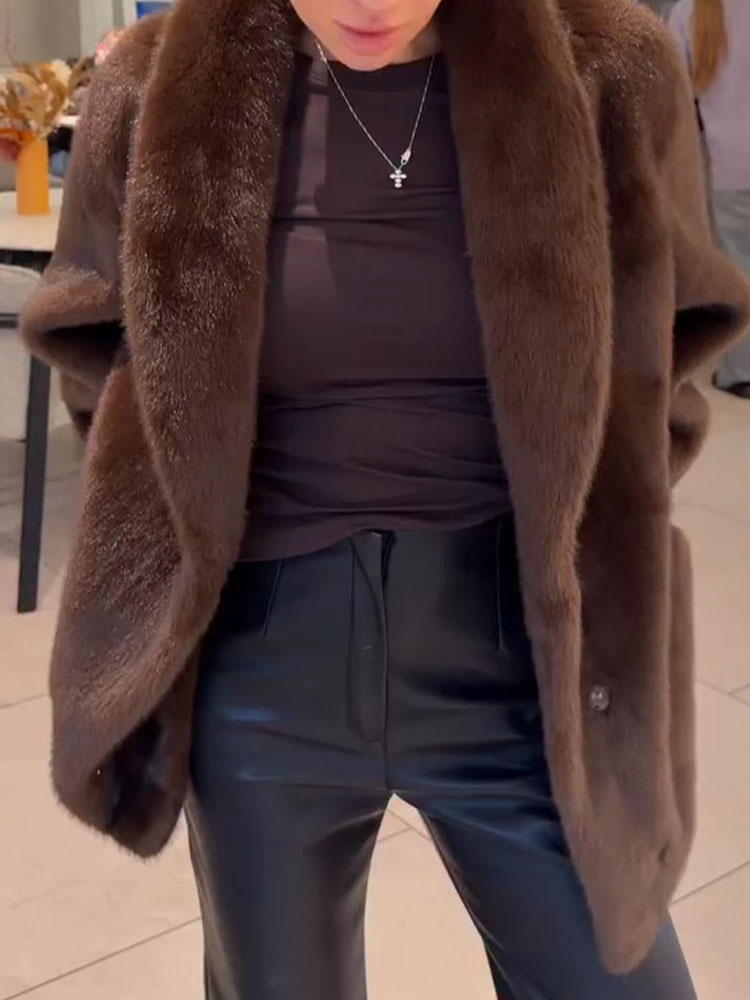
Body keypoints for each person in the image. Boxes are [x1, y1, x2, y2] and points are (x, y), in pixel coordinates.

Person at [18, 0, 749, 997]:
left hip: (526, 662)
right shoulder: (160, 87)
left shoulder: (608, 70)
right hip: (262, 669)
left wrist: (599, 511)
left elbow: (673, 330)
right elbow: (100, 345)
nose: (370, 4)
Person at [670, 0, 750, 397]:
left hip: (732, 163)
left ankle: (741, 372)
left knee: (739, 268)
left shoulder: (691, 11)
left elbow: (672, 90)